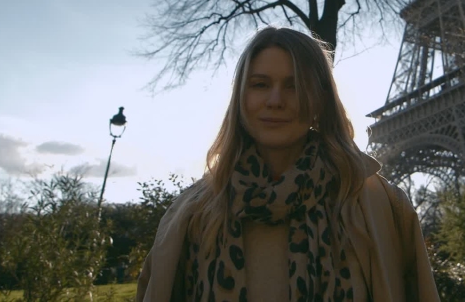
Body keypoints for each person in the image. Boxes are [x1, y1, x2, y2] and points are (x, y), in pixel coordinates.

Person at [136, 27, 439, 302]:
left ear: (320, 99)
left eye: (294, 86)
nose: (275, 100)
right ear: (240, 98)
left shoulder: (380, 206)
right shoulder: (190, 215)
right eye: (260, 84)